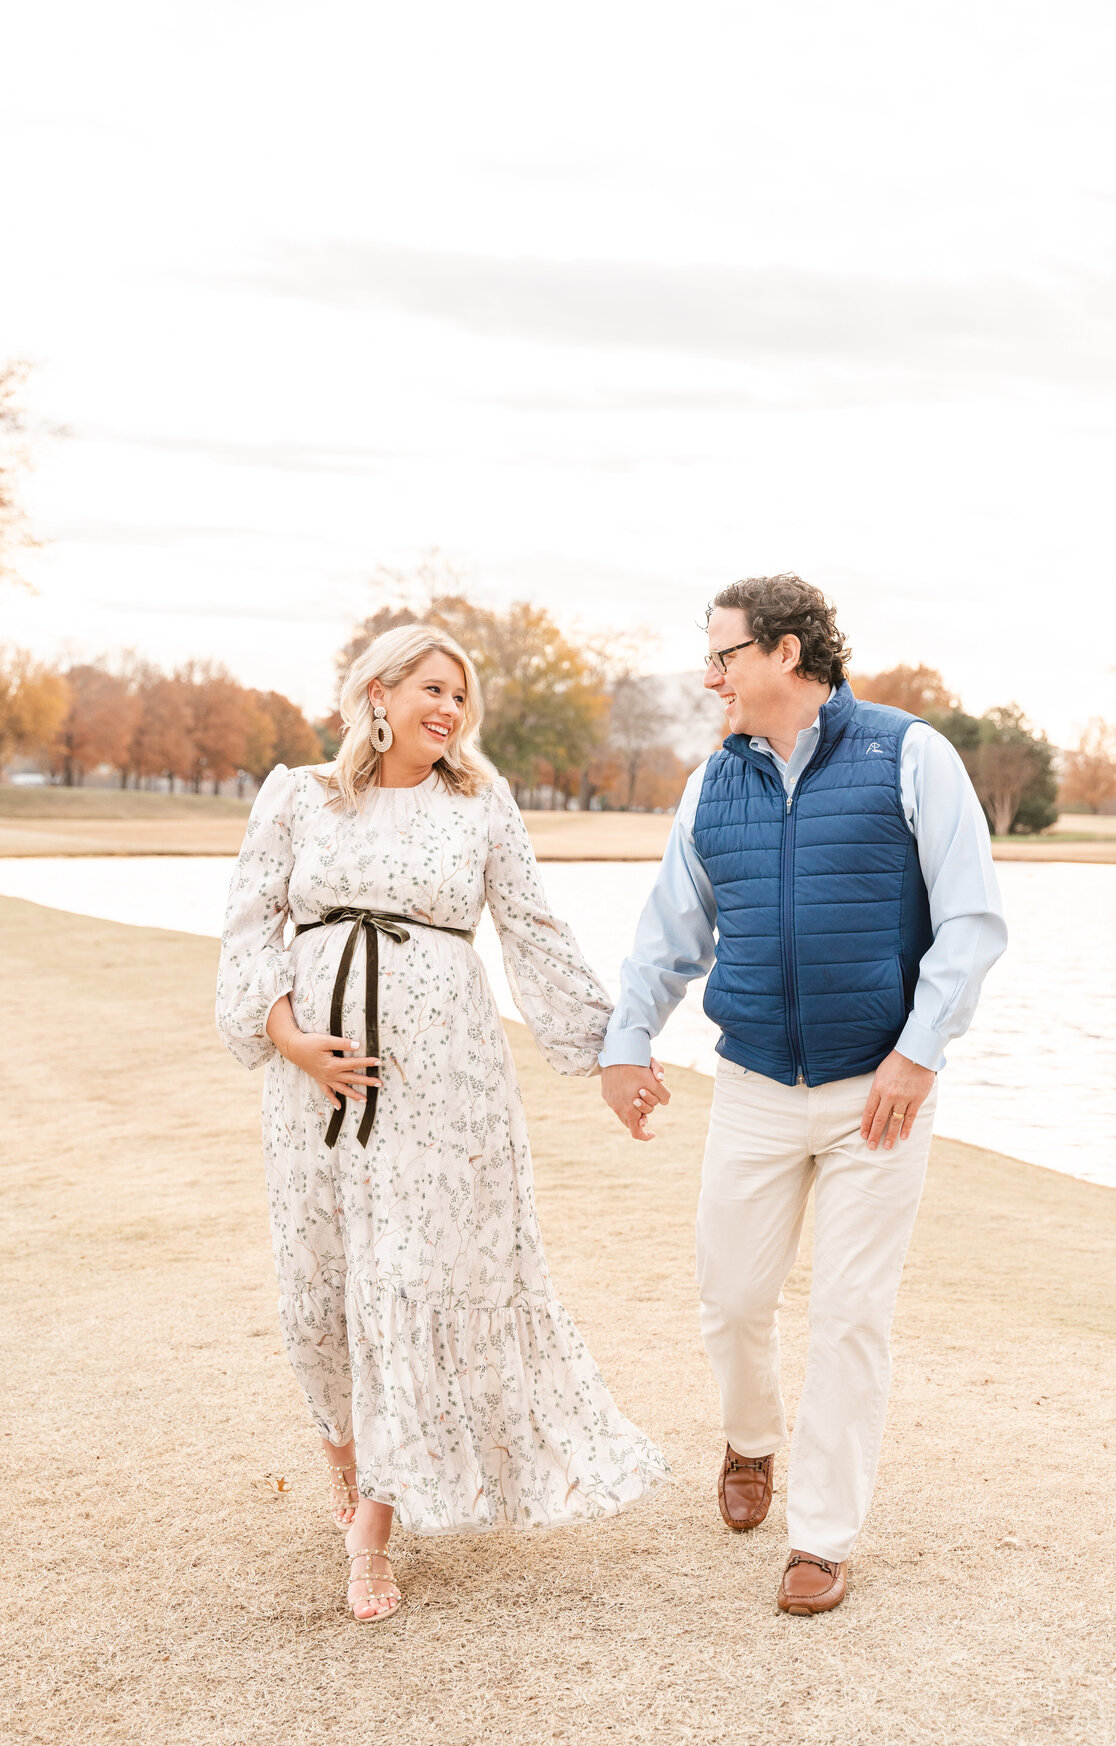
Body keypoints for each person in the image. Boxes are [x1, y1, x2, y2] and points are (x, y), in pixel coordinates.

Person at [217, 624, 667, 1624]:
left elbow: (534, 928)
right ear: (376, 694)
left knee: (405, 1288)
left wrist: (612, 1053)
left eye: (461, 697)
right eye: (433, 688)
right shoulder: (299, 795)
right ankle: (346, 1461)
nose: (450, 711)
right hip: (316, 1098)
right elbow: (250, 923)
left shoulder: (479, 800)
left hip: (445, 1092)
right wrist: (290, 1039)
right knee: (319, 1299)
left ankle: (372, 1535)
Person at [600, 574, 1006, 1615]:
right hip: (755, 1087)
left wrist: (919, 1054)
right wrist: (626, 1040)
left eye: (722, 654)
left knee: (850, 1313)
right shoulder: (710, 786)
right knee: (731, 1295)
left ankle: (821, 1537)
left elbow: (970, 921)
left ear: (784, 652)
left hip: (882, 1088)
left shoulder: (909, 754)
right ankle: (751, 1438)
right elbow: (670, 935)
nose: (709, 676)